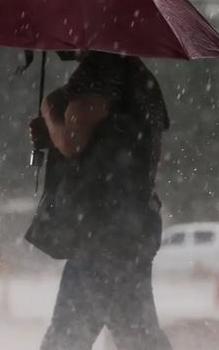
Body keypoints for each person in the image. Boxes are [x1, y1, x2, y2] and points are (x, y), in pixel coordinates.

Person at [28, 51, 173, 350]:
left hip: (104, 230)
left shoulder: (101, 71)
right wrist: (53, 135)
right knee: (68, 336)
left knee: (135, 336)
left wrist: (49, 113)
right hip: (126, 224)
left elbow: (71, 140)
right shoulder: (138, 75)